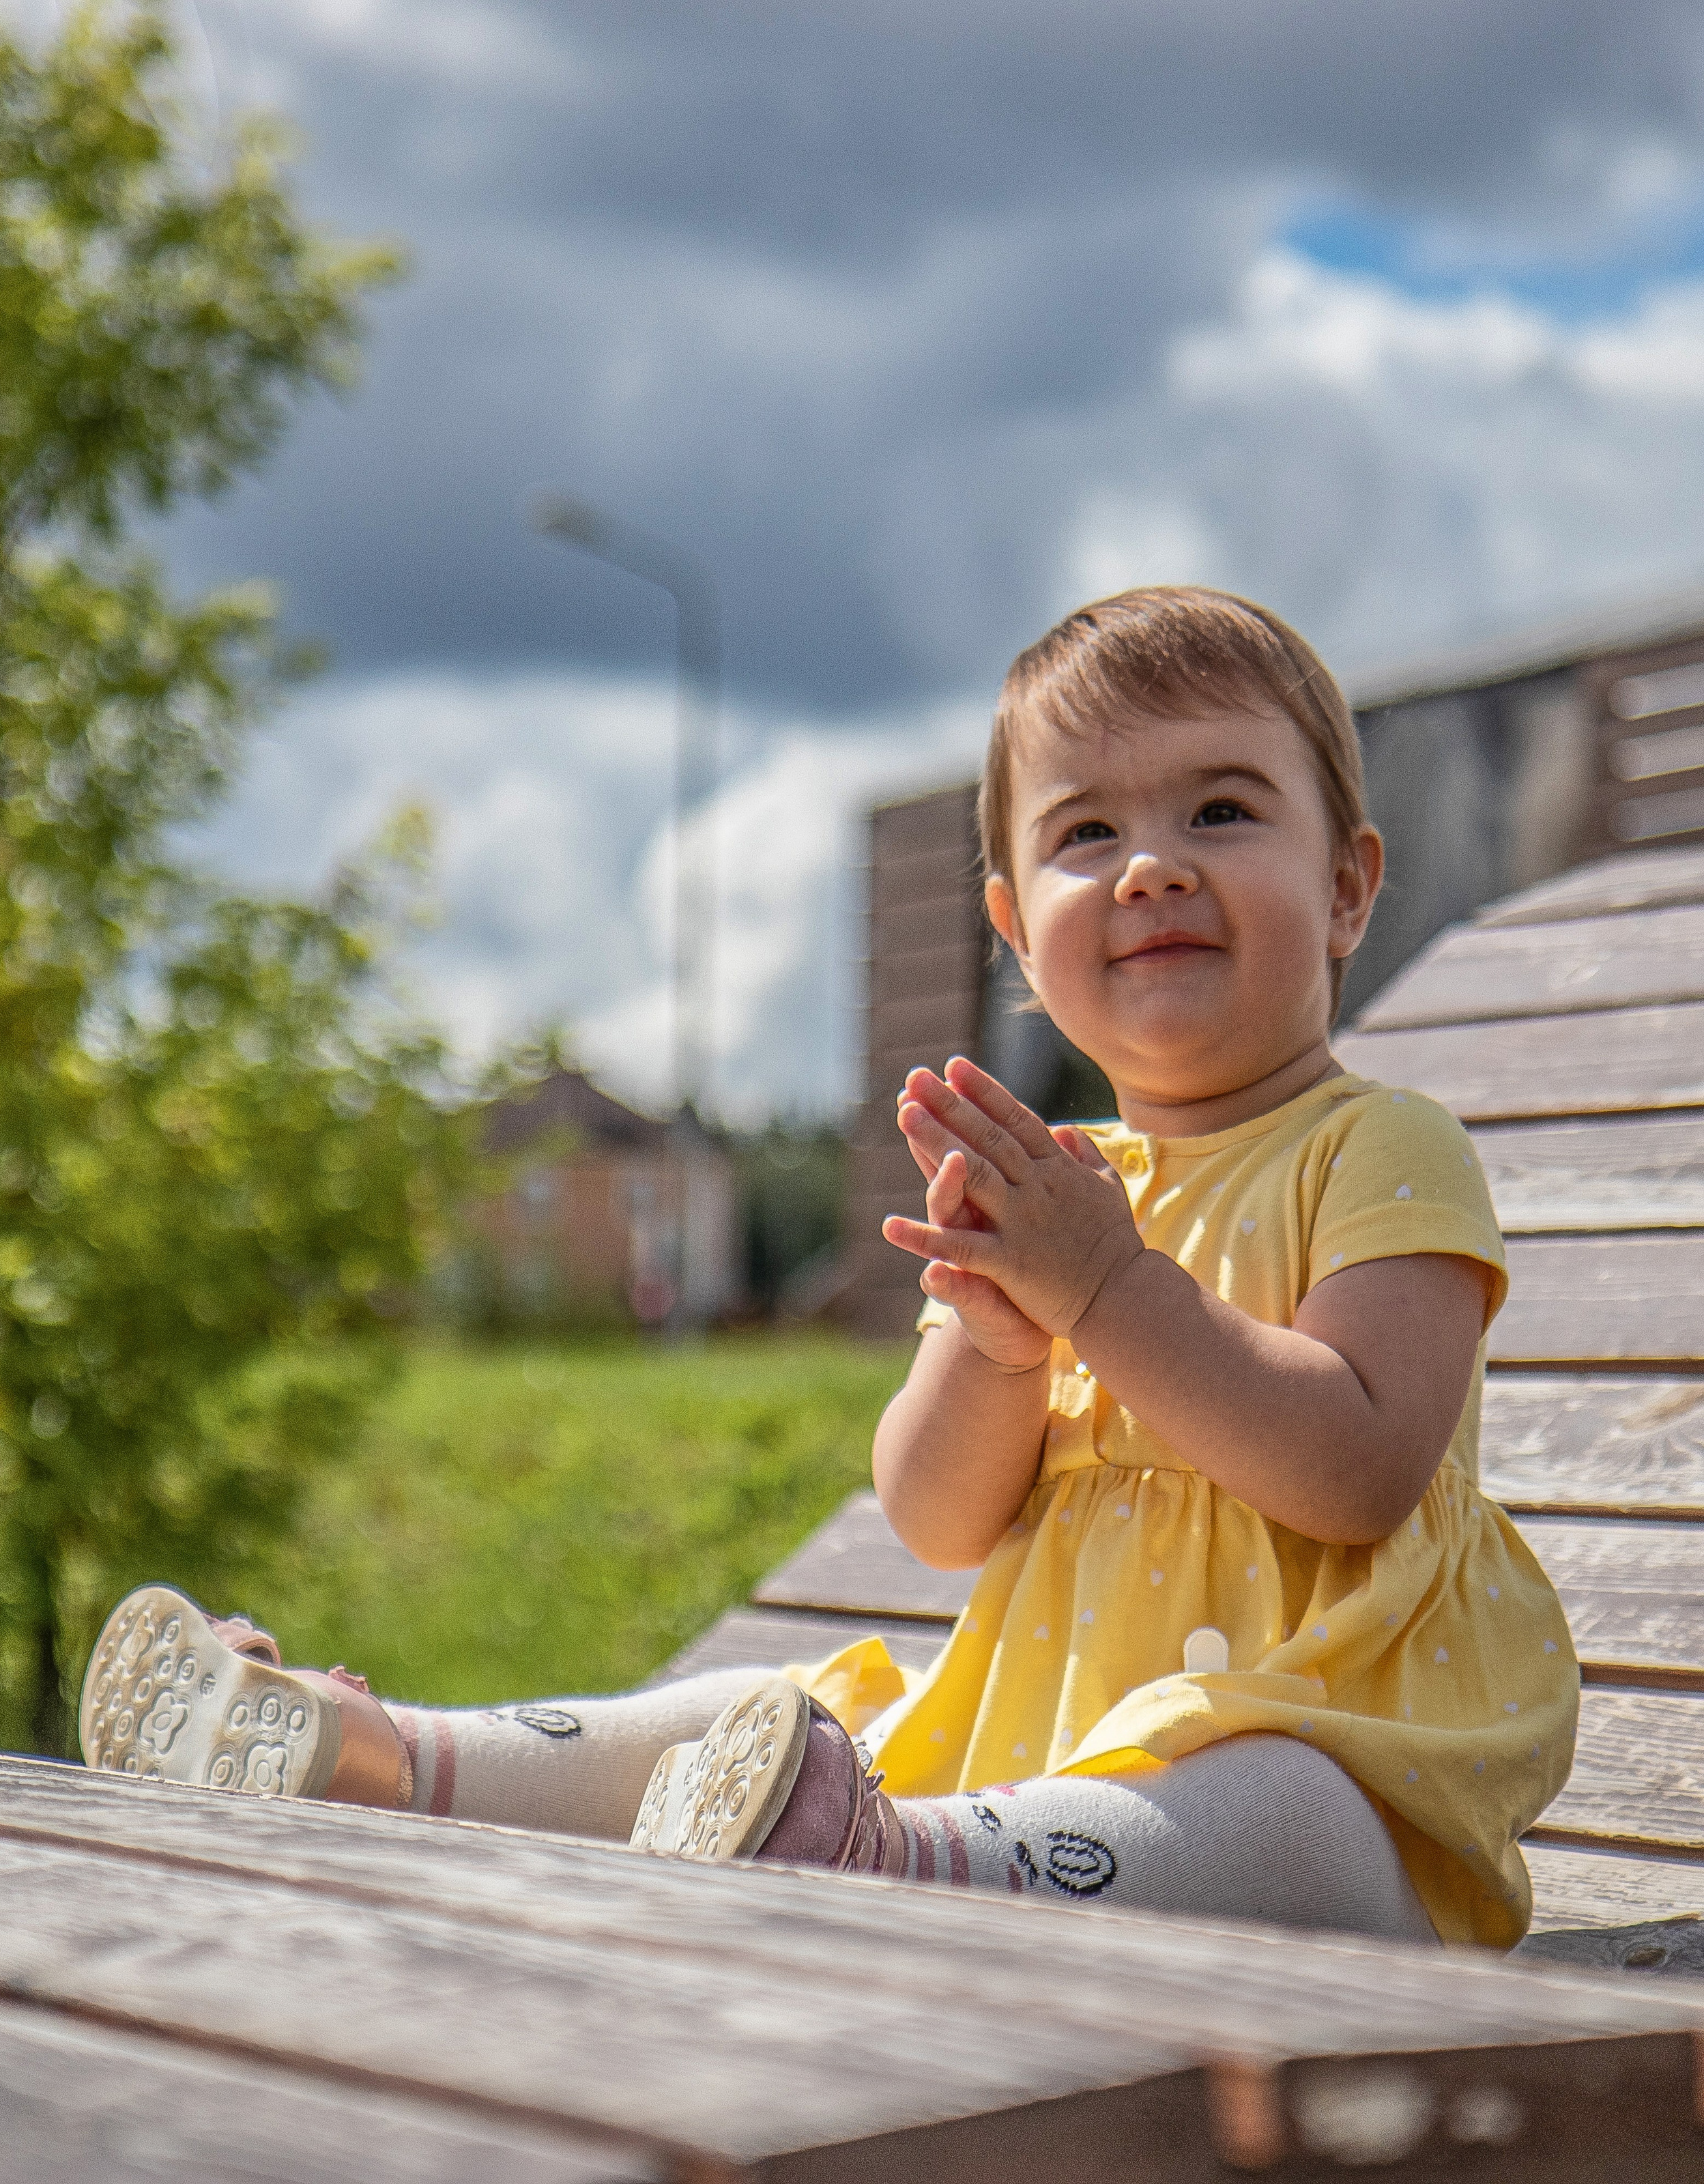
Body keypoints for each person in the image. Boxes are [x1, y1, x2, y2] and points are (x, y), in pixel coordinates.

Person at [78, 585, 1577, 1947]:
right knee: (765, 1708)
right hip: (1042, 1805)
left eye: (1223, 812)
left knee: (1289, 1802)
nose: (1149, 871)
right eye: (1084, 836)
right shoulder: (1052, 1189)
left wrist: (1110, 1299)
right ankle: (370, 1757)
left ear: (1346, 887)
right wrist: (997, 1346)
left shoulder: (1378, 1146)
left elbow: (1357, 1468)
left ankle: (878, 1859)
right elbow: (933, 1514)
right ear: (1011, 929)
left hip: (1330, 1835)